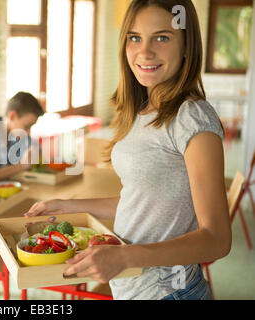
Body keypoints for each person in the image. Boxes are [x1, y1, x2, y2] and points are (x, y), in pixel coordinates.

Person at [25, 0, 231, 300]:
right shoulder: (143, 110)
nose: (144, 52)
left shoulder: (192, 117)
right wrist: (72, 206)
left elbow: (217, 239)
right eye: (135, 37)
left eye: (162, 37)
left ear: (187, 46)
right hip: (132, 289)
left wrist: (124, 257)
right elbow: (144, 200)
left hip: (170, 293)